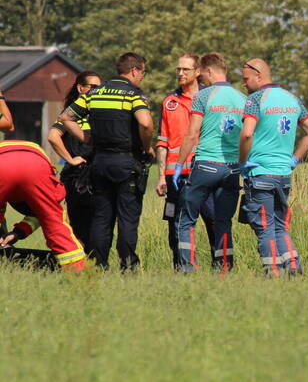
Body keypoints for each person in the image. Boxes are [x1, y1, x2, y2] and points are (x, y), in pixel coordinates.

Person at [61, 52, 154, 270]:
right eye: (143, 72)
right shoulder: (133, 94)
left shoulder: (96, 93)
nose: (142, 77)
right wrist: (145, 145)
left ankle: (99, 265)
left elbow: (66, 117)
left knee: (102, 217)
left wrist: (89, 139)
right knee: (127, 219)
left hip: (99, 163)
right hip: (126, 162)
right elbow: (146, 123)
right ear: (135, 71)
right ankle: (128, 266)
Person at [238, 59, 308, 276]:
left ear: (259, 75)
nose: (244, 85)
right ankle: (293, 267)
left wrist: (242, 162)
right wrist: (294, 159)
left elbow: (246, 133)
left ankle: (273, 273)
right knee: (280, 226)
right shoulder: (292, 99)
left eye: (246, 79)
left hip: (260, 173)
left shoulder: (255, 100)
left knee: (264, 228)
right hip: (284, 175)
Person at [174, 53, 247, 274]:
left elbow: (192, 133)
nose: (202, 80)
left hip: (205, 165)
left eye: (202, 74)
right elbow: (249, 135)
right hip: (232, 168)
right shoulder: (242, 99)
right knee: (223, 221)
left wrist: (178, 166)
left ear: (209, 71)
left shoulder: (204, 96)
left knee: (186, 220)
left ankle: (188, 269)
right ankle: (224, 270)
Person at [154, 54, 216, 267]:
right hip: (175, 179)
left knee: (213, 221)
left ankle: (222, 268)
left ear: (198, 71)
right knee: (175, 224)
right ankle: (182, 269)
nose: (180, 73)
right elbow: (162, 141)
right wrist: (161, 176)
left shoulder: (210, 99)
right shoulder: (169, 102)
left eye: (186, 70)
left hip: (204, 173)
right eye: (178, 69)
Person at [0, 140, 88, 271]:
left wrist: (17, 233)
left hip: (3, 163)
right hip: (37, 163)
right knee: (54, 222)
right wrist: (17, 233)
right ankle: (78, 271)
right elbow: (42, 214)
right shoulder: (35, 197)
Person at [48, 70, 102, 251]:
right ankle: (81, 265)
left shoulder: (98, 112)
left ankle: (97, 265)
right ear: (80, 88)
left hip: (98, 173)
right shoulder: (71, 112)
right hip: (77, 177)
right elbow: (53, 136)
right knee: (79, 226)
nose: (97, 91)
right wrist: (70, 159)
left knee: (99, 225)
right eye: (93, 87)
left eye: (99, 88)